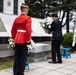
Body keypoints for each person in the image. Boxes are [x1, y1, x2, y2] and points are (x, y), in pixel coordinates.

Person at [11, 3, 32, 75]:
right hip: (24, 39)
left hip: (17, 39)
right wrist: (28, 40)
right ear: (26, 10)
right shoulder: (28, 18)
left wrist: (14, 38)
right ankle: (20, 73)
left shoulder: (16, 19)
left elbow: (13, 30)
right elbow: (28, 30)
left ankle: (15, 72)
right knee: (22, 57)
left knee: (17, 56)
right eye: (27, 9)